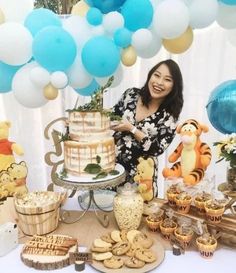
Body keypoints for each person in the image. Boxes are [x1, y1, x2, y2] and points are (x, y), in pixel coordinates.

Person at [111, 59, 184, 198]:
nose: (159, 82)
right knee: (107, 214)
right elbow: (112, 115)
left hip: (141, 177)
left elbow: (157, 149)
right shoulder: (131, 94)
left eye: (167, 79)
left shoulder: (169, 116)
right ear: (150, 75)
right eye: (156, 75)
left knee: (136, 217)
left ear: (174, 86)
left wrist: (132, 129)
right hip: (113, 169)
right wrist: (82, 121)